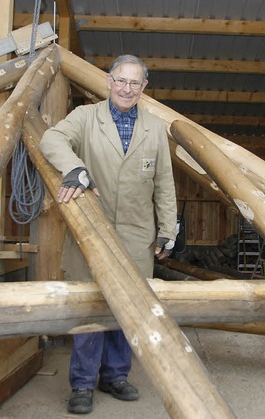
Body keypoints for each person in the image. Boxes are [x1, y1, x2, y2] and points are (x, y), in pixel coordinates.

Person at [39, 54, 177, 415]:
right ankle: (82, 383)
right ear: (108, 82)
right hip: (92, 228)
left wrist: (168, 229)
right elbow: (51, 140)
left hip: (137, 233)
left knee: (128, 308)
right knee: (90, 305)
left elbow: (164, 183)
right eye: (120, 80)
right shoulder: (86, 118)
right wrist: (75, 168)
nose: (126, 88)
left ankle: (115, 375)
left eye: (135, 82)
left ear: (144, 88)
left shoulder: (154, 128)